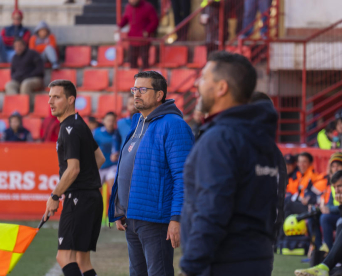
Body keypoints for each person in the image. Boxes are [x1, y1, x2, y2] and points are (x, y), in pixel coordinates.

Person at [180, 51, 284, 276]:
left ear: (221, 88)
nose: (199, 83)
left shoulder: (220, 139)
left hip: (222, 262)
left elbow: (212, 207)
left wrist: (192, 265)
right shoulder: (264, 139)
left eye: (205, 77)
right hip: (258, 259)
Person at [108, 71, 195, 276]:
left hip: (157, 220)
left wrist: (177, 218)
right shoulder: (138, 122)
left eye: (143, 89)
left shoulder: (174, 125)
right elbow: (127, 166)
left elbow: (184, 176)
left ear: (159, 95)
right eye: (134, 89)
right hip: (133, 217)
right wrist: (119, 208)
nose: (136, 94)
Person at [44, 80, 106, 276]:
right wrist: (84, 179)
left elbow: (73, 169)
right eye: (50, 97)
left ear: (71, 100)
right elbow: (99, 158)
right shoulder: (80, 123)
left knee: (64, 258)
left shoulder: (68, 128)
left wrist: (54, 196)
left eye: (57, 97)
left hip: (78, 199)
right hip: (92, 199)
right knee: (82, 261)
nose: (51, 102)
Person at [295, 170, 342, 276]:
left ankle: (326, 264)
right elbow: (330, 205)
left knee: (334, 220)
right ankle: (326, 256)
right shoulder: (334, 192)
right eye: (335, 187)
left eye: (340, 186)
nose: (337, 190)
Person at [311, 153, 342, 251]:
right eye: (333, 166)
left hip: (339, 213)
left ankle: (331, 251)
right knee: (313, 215)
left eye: (338, 165)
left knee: (325, 218)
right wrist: (322, 208)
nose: (335, 168)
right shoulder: (333, 181)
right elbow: (331, 202)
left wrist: (329, 209)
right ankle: (318, 250)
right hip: (338, 211)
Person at [117, 0, 159, 69]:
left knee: (145, 60)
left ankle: (145, 77)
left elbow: (155, 21)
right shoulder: (128, 7)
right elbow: (125, 18)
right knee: (132, 61)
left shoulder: (148, 7)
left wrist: (147, 31)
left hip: (144, 40)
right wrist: (119, 26)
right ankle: (132, 78)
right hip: (132, 39)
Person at [285, 152, 328, 217]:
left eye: (304, 162)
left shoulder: (312, 176)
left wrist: (309, 199)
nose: (301, 164)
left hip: (311, 206)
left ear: (310, 163)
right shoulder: (301, 176)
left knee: (287, 205)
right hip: (302, 203)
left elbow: (316, 195)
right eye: (299, 162)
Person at [93, 112, 119, 187]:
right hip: (100, 166)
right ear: (103, 121)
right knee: (95, 190)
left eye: (112, 121)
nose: (110, 123)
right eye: (108, 120)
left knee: (113, 186)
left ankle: (112, 198)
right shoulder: (96, 133)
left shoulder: (118, 133)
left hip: (113, 165)